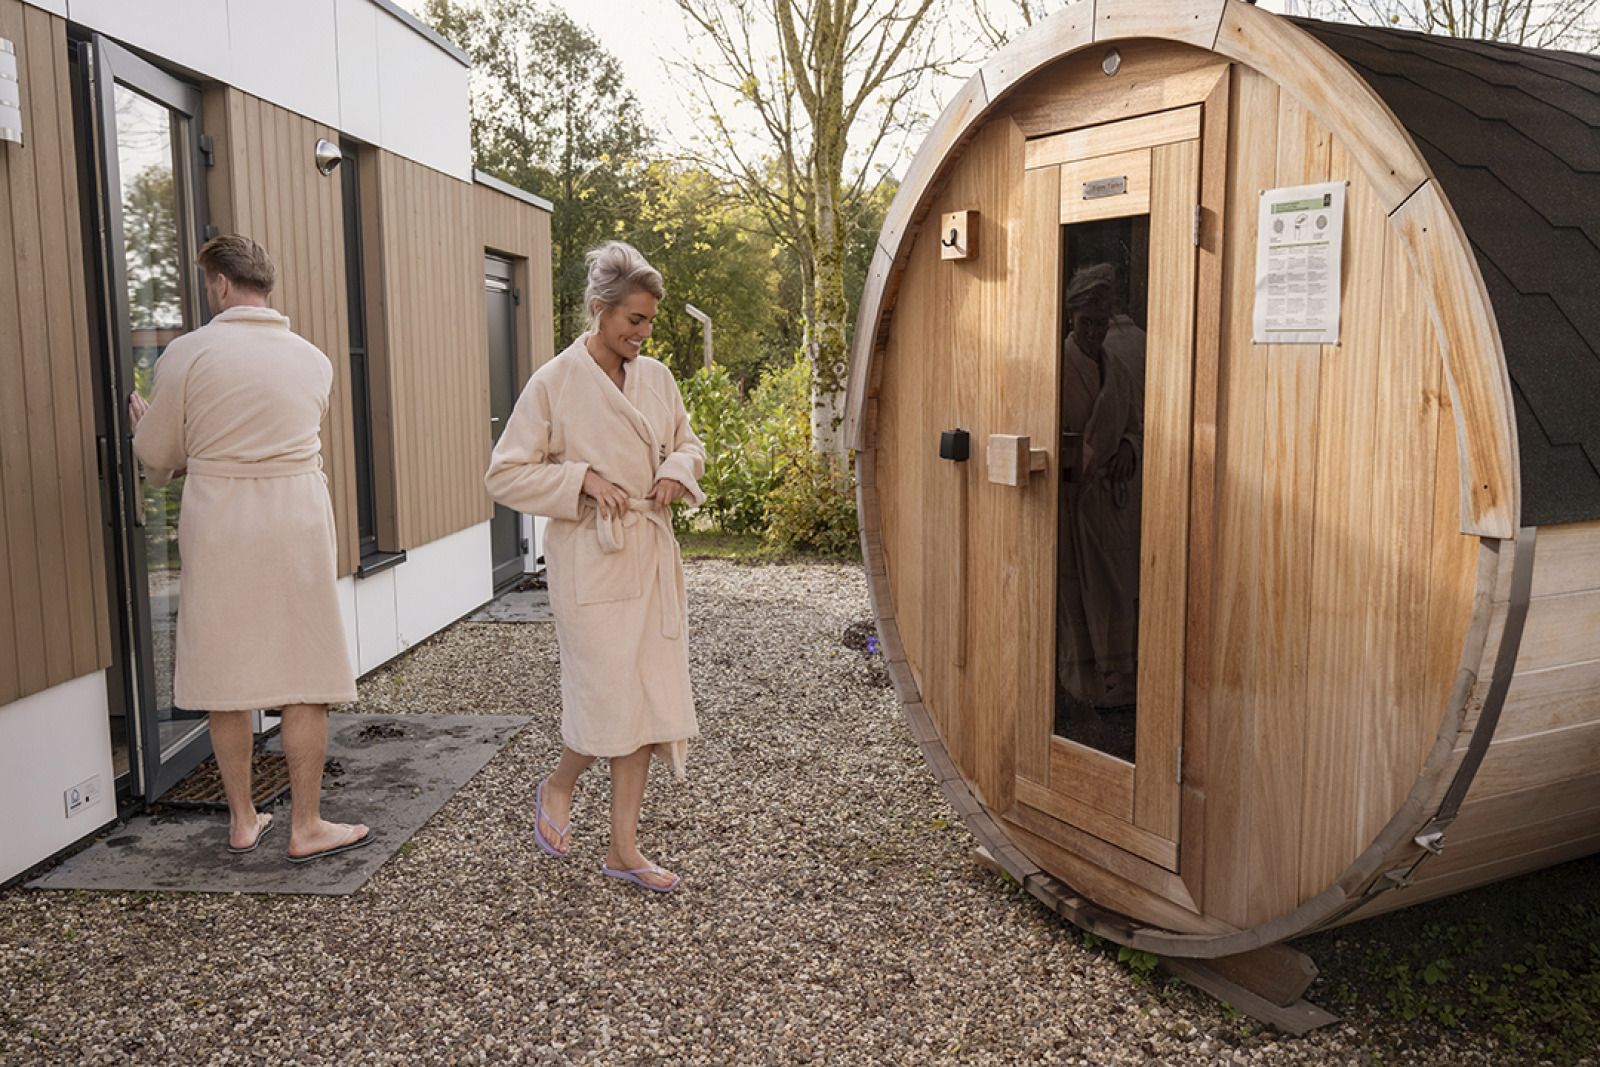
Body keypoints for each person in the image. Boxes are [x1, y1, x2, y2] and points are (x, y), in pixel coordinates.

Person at [128, 234, 372, 863]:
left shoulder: (190, 352)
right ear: (266, 285)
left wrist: (147, 428)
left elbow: (159, 457)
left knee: (225, 673)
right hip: (296, 517)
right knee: (304, 674)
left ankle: (243, 820)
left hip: (222, 519)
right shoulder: (313, 359)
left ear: (218, 284)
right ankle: (307, 824)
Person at [485, 240, 705, 894]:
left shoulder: (657, 378)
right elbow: (505, 472)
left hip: (647, 548)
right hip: (591, 557)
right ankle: (559, 782)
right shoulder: (555, 381)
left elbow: (688, 442)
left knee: (639, 702)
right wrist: (581, 481)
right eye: (633, 319)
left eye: (649, 322)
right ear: (599, 310)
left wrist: (672, 470)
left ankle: (623, 848)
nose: (643, 333)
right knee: (607, 694)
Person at [1057, 263, 1146, 723]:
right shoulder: (1057, 368)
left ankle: (1118, 689)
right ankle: (1080, 687)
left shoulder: (1117, 368)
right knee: (1076, 598)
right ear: (1071, 318)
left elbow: (1136, 422)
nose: (1092, 331)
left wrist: (1130, 446)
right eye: (1084, 322)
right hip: (1074, 506)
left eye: (1099, 322)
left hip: (1111, 504)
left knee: (1116, 594)